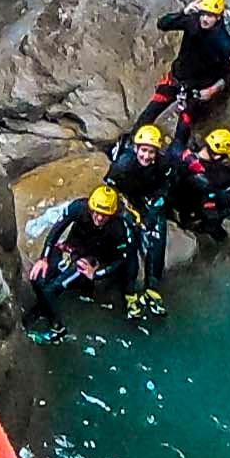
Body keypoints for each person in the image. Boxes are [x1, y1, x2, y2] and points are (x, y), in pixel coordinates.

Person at [24, 183, 145, 326]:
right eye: (97, 212)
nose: (99, 218)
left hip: (93, 259)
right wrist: (44, 258)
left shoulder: (120, 226)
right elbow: (57, 229)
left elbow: (122, 258)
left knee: (53, 288)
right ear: (91, 207)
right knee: (39, 278)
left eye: (104, 215)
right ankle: (42, 310)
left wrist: (96, 274)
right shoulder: (79, 207)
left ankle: (57, 327)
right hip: (73, 247)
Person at [101, 122, 180, 315]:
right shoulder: (124, 165)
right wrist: (130, 213)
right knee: (130, 240)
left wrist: (156, 204)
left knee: (157, 236)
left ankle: (152, 286)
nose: (147, 156)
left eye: (151, 152)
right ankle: (129, 291)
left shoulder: (163, 164)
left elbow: (167, 185)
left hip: (149, 199)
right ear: (136, 149)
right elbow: (112, 189)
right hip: (128, 200)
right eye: (144, 151)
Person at [148, 0, 230, 132]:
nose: (205, 19)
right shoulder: (192, 22)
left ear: (218, 17)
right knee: (147, 116)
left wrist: (213, 90)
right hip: (176, 80)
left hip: (197, 92)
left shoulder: (225, 43)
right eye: (203, 14)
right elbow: (162, 24)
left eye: (210, 16)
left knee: (182, 134)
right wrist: (183, 12)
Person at [169, 126, 230, 239]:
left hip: (173, 196)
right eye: (225, 156)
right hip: (188, 209)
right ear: (217, 156)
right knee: (228, 194)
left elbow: (178, 140)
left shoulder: (182, 154)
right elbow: (211, 217)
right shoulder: (208, 181)